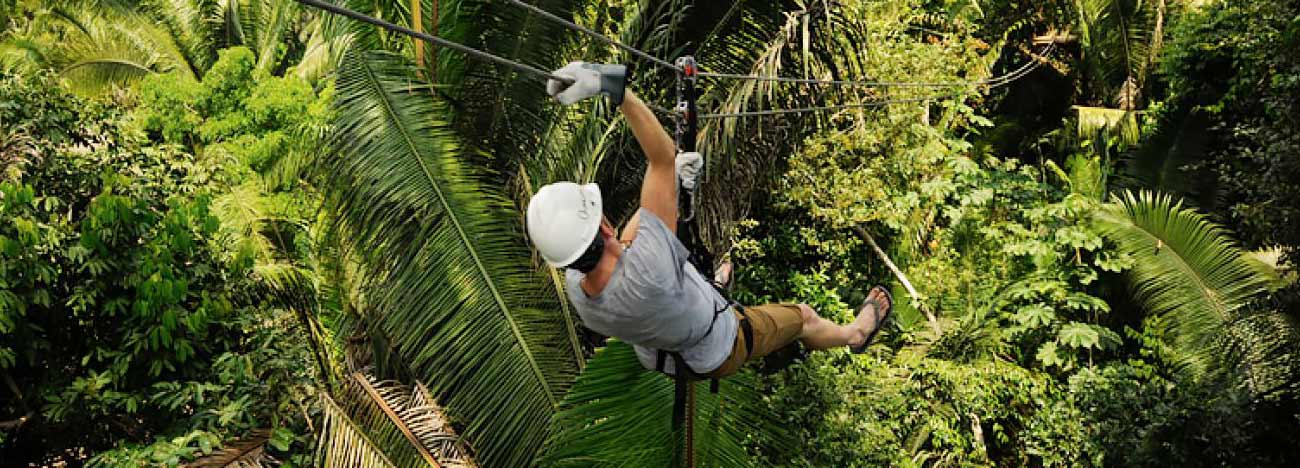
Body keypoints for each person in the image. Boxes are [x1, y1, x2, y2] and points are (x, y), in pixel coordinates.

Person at [526, 61, 892, 379]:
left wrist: (671, 183)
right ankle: (854, 335)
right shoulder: (649, 271)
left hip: (665, 354)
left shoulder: (579, 293)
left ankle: (709, 286)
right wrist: (614, 87)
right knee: (804, 316)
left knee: (669, 266)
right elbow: (660, 159)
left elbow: (628, 243)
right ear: (603, 225)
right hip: (720, 346)